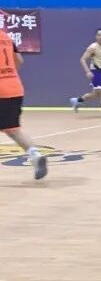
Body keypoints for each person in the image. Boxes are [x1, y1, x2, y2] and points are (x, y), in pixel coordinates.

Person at [0, 27, 47, 180]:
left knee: (11, 129)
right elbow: (19, 60)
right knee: (13, 129)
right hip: (15, 87)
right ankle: (35, 155)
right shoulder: (6, 37)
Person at [71, 29, 101, 118]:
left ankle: (77, 101)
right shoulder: (93, 47)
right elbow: (82, 59)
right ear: (96, 37)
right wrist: (88, 71)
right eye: (99, 35)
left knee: (96, 94)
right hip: (95, 71)